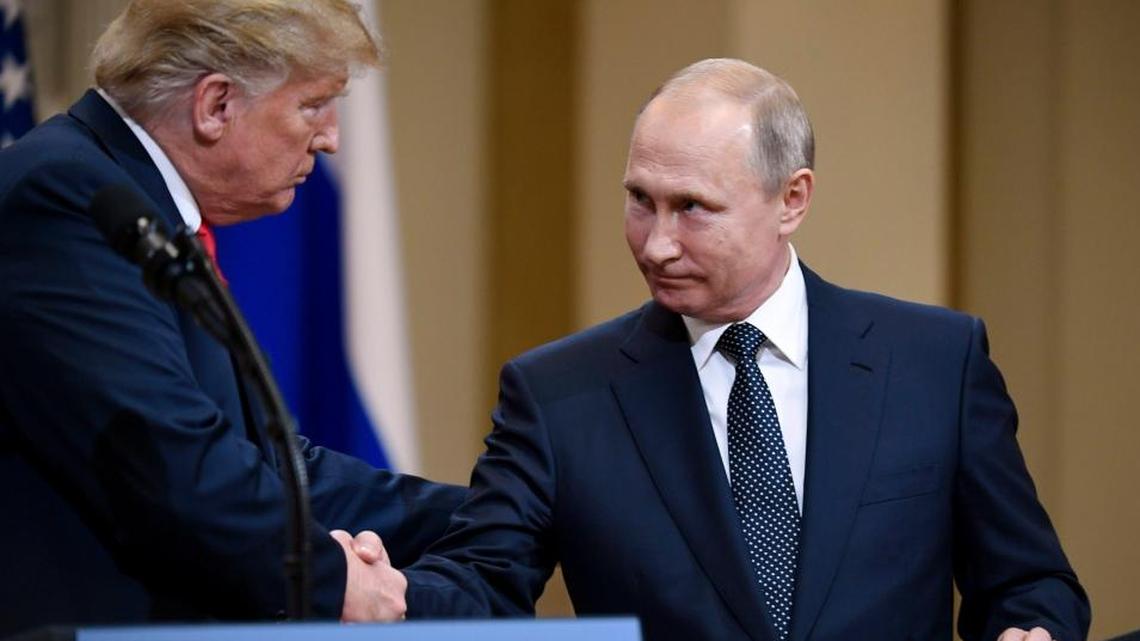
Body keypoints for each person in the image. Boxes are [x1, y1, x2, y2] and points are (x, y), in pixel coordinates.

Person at [355, 59, 1089, 640]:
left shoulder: (935, 361)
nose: (658, 242)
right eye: (641, 200)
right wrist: (395, 593)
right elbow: (484, 581)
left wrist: (1034, 628)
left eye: (693, 208)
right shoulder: (556, 395)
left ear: (791, 199)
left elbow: (1028, 581)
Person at [0, 1, 463, 636]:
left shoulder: (134, 203)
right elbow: (179, 472)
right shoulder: (66, 198)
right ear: (216, 105)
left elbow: (269, 463)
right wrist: (338, 584)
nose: (330, 137)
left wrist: (493, 514)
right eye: (313, 105)